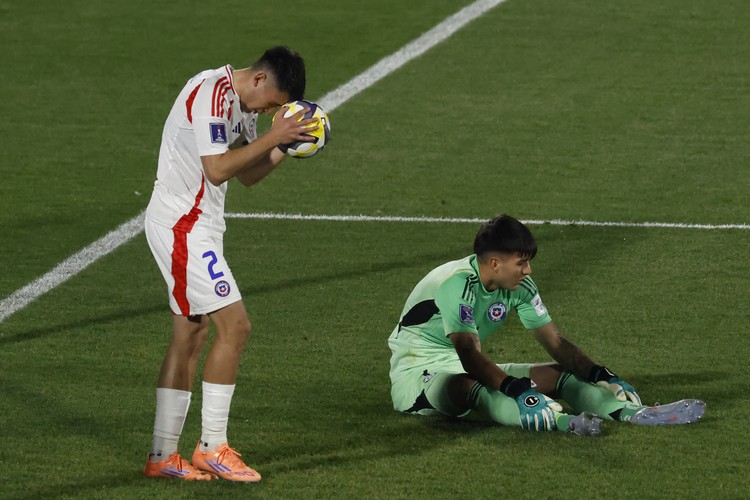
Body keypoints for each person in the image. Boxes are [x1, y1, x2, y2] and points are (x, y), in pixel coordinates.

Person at [143, 46, 318, 481]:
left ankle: (163, 456)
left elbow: (246, 173)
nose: (269, 112)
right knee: (235, 326)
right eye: (272, 103)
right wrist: (273, 137)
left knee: (190, 334)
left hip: (198, 226)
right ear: (259, 78)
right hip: (183, 227)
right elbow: (218, 169)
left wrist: (286, 145)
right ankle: (212, 447)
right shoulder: (211, 93)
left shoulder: (242, 104)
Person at [388, 214, 705, 435]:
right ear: (495, 263)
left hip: (462, 363)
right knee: (475, 387)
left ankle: (631, 413)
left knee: (562, 374)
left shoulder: (519, 287)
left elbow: (555, 342)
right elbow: (468, 355)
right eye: (521, 262)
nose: (528, 271)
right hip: (418, 373)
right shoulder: (457, 285)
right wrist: (516, 389)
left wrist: (601, 374)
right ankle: (563, 423)